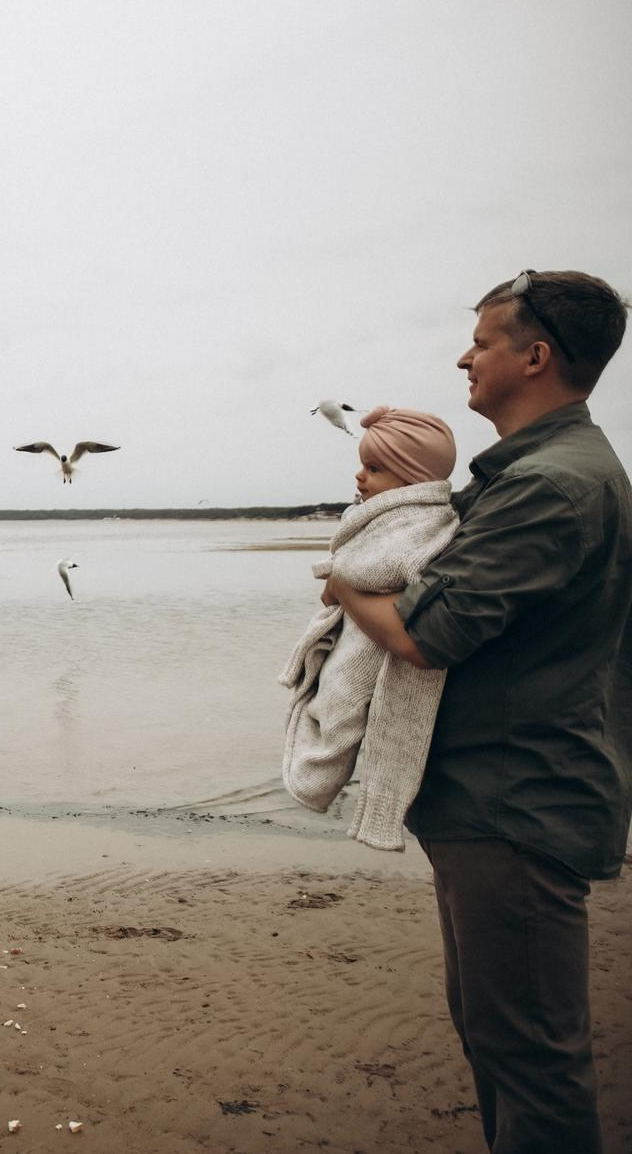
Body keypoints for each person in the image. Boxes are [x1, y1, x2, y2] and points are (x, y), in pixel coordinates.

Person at [324, 270, 629, 1153]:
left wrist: (344, 581)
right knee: (499, 1038)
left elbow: (425, 635)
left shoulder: (549, 486)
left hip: (515, 806)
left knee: (532, 1060)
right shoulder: (540, 473)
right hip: (500, 800)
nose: (465, 357)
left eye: (483, 342)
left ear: (535, 357)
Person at [281, 407, 459, 849]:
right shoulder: (392, 516)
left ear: (412, 479)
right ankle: (313, 775)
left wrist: (338, 574)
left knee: (342, 705)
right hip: (364, 628)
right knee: (331, 701)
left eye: (375, 469)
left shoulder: (420, 522)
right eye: (363, 465)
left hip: (375, 644)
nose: (360, 476)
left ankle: (316, 780)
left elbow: (382, 567)